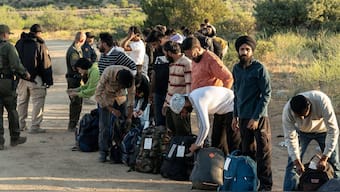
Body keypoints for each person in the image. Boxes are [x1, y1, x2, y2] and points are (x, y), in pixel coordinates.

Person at [231, 35, 272, 191]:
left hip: (259, 117)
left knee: (263, 152)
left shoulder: (259, 68)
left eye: (247, 49)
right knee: (246, 151)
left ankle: (266, 186)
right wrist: (235, 116)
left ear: (252, 51)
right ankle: (248, 182)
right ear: (238, 51)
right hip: (242, 116)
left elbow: (266, 94)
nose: (244, 52)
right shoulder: (236, 68)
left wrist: (256, 117)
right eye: (242, 49)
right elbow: (236, 94)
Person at [282, 90, 340, 191]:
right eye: (299, 116)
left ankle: (336, 188)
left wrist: (324, 158)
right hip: (302, 132)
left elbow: (333, 131)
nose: (303, 118)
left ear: (309, 105)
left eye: (305, 115)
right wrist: (297, 161)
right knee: (292, 165)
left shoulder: (322, 101)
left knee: (334, 163)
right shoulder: (288, 111)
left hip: (324, 131)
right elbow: (290, 137)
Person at [169, 86, 240, 155]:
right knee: (216, 143)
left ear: (184, 104)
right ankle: (220, 163)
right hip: (221, 109)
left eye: (182, 111)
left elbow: (205, 127)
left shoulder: (198, 100)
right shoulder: (193, 98)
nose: (183, 115)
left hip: (232, 105)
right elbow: (201, 124)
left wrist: (197, 144)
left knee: (232, 142)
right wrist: (200, 141)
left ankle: (236, 162)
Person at [15, 24, 53, 134]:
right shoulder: (39, 44)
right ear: (39, 33)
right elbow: (45, 64)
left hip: (22, 78)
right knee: (38, 102)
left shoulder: (19, 43)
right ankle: (35, 126)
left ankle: (20, 125)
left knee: (22, 101)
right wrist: (48, 81)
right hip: (36, 78)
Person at [95, 65, 135, 162]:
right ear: (117, 80)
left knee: (122, 125)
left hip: (121, 98)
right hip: (106, 98)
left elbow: (131, 96)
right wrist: (111, 109)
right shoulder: (108, 73)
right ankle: (103, 152)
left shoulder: (130, 76)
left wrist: (129, 117)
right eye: (122, 86)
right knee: (105, 127)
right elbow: (98, 94)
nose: (121, 87)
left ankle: (120, 151)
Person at [0, 24, 30, 149]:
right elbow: (16, 64)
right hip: (6, 83)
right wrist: (25, 74)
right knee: (12, 110)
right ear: (4, 34)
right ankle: (15, 138)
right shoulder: (8, 47)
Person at [162, 40, 192, 136]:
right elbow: (171, 86)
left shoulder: (186, 63)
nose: (165, 56)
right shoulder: (172, 63)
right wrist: (166, 104)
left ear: (170, 53)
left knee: (183, 134)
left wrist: (186, 107)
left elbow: (189, 86)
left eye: (165, 53)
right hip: (170, 105)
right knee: (172, 134)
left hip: (181, 107)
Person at [145, 29, 169, 126]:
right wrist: (151, 92)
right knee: (159, 122)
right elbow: (154, 73)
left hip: (170, 92)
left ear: (160, 41)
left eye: (154, 44)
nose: (153, 48)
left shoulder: (171, 50)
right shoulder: (156, 53)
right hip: (158, 92)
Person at [65, 32, 86, 132]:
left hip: (75, 79)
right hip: (74, 80)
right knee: (75, 102)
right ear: (81, 40)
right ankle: (72, 124)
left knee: (77, 102)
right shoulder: (74, 52)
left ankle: (74, 123)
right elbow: (75, 66)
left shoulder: (77, 49)